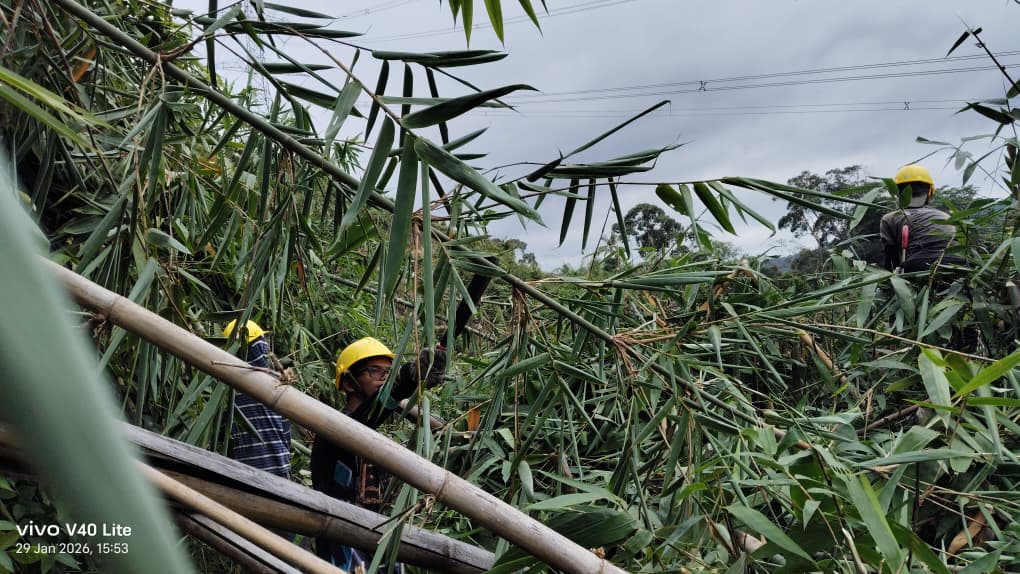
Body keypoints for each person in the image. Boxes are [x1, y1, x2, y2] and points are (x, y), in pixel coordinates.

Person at [310, 337, 446, 571]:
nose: (384, 377)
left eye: (388, 372)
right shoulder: (333, 432)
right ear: (350, 383)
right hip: (342, 547)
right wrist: (406, 378)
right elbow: (368, 416)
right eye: (374, 371)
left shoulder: (373, 440)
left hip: (378, 541)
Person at [223, 319, 292, 478]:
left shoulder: (227, 389)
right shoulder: (276, 383)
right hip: (277, 467)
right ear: (259, 346)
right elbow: (286, 431)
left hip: (243, 470)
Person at [880, 164, 962, 273]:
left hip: (919, 265)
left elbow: (891, 260)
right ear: (930, 192)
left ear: (898, 194)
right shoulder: (946, 216)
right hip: (958, 264)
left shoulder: (890, 218)